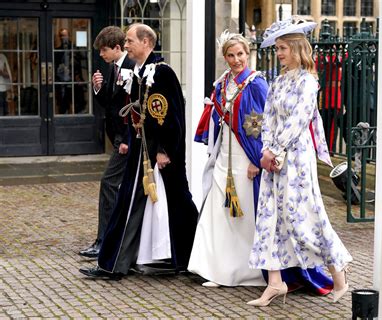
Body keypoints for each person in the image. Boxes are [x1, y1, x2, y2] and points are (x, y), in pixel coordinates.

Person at [247, 17, 353, 306]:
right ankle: (275, 283)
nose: (279, 53)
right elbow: (268, 117)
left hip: (295, 158)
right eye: (278, 48)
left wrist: (277, 150)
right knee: (269, 216)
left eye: (283, 48)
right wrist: (266, 149)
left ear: (296, 48)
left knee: (303, 217)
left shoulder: (309, 82)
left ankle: (338, 272)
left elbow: (298, 120)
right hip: (273, 158)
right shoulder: (278, 81)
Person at [79, 23, 198, 279]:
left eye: (131, 40)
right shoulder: (137, 72)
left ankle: (192, 258)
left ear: (146, 43)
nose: (127, 44)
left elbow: (172, 115)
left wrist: (165, 150)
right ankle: (114, 263)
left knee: (179, 203)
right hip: (140, 148)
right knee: (129, 203)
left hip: (160, 152)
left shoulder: (162, 73)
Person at [188, 31, 268, 287]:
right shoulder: (222, 84)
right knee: (219, 211)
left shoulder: (256, 83)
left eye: (240, 54)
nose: (236, 60)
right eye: (231, 55)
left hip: (247, 158)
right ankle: (218, 270)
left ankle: (249, 271)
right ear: (225, 57)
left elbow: (263, 124)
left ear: (248, 54)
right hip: (225, 155)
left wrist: (257, 160)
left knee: (243, 216)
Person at [78, 26, 135, 259]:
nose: (101, 55)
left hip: (126, 140)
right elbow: (110, 105)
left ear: (117, 48)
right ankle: (109, 239)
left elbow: (131, 107)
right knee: (115, 187)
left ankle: (105, 241)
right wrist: (98, 88)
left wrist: (124, 139)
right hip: (119, 139)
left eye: (104, 50)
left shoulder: (130, 68)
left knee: (108, 184)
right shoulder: (113, 68)